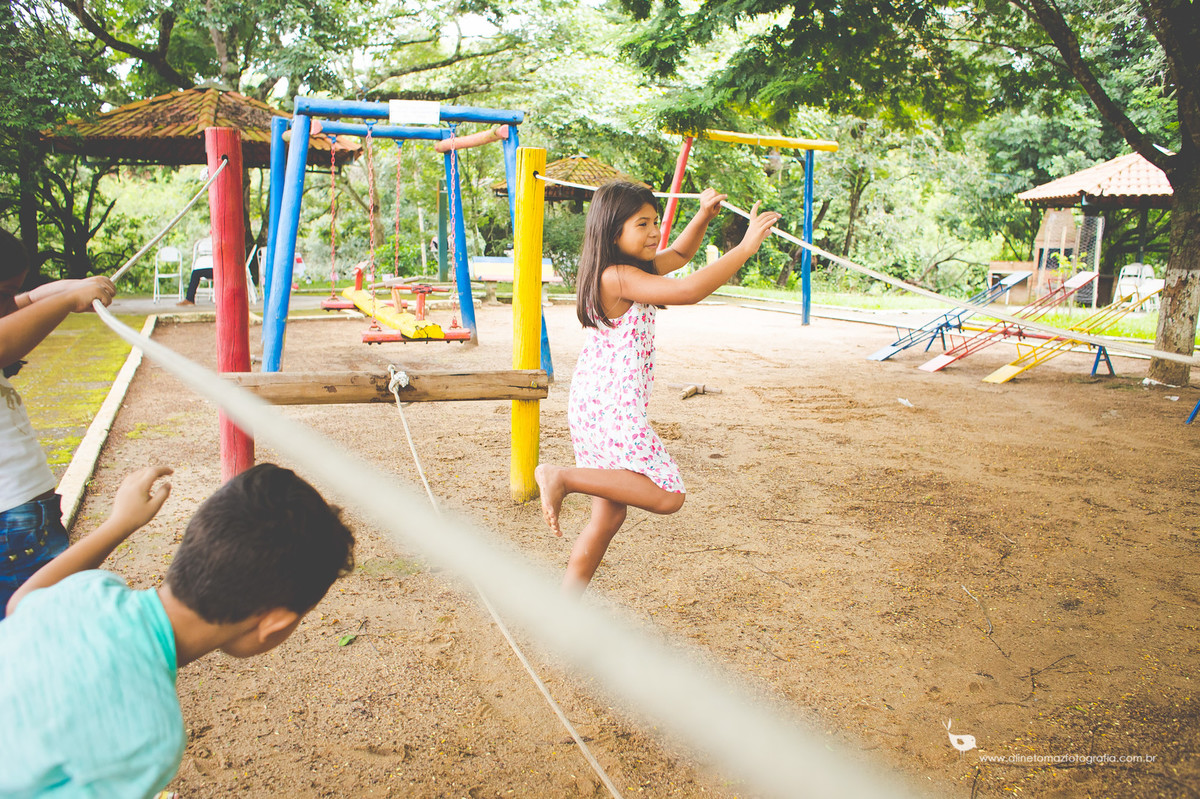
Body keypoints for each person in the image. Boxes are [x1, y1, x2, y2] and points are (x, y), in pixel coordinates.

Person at [0, 462, 356, 797]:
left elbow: (22, 602)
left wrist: (120, 523)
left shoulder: (88, 592)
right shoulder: (149, 735)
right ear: (275, 622)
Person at [534, 181, 781, 594]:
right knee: (667, 495)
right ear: (613, 231)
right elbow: (689, 289)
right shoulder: (617, 277)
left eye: (656, 221)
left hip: (596, 402)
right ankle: (562, 476)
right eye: (642, 224)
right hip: (611, 406)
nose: (653, 232)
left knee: (608, 518)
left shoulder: (627, 271)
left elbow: (682, 255)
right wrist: (745, 249)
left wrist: (703, 214)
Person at [0, 228, 116, 617]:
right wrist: (68, 298)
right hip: (13, 527)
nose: (12, 306)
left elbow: (27, 299)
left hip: (23, 519)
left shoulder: (11, 304)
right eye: (2, 295)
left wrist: (72, 286)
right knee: (41, 632)